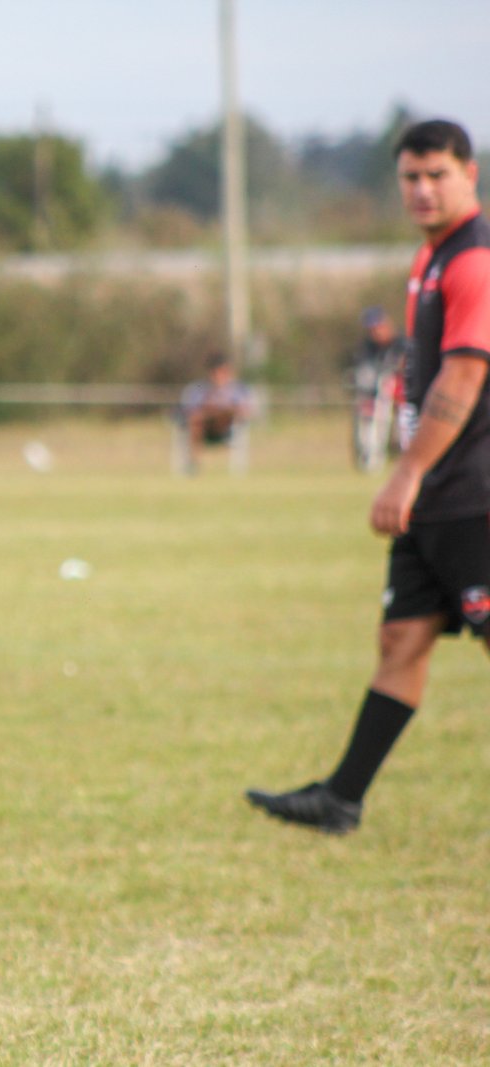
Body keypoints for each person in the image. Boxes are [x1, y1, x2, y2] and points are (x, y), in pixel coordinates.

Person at [247, 119, 490, 833]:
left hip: (472, 493)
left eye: (437, 175)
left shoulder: (474, 261)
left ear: (469, 174)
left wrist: (406, 473)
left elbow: (465, 374)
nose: (422, 189)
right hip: (436, 496)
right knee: (402, 640)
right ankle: (341, 798)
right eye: (410, 177)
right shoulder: (432, 258)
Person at [174, 352, 254, 474]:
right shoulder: (197, 389)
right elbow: (187, 412)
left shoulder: (238, 389)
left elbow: (247, 411)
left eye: (222, 372)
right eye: (215, 372)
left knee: (226, 412)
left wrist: (225, 410)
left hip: (227, 428)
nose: (219, 376)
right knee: (196, 420)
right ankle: (193, 465)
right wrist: (209, 410)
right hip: (203, 428)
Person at [349, 306, 405, 471]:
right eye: (371, 329)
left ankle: (398, 454)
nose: (375, 333)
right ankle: (370, 456)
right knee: (367, 417)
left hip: (400, 395)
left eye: (377, 327)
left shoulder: (402, 344)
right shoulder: (368, 347)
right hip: (375, 396)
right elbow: (362, 371)